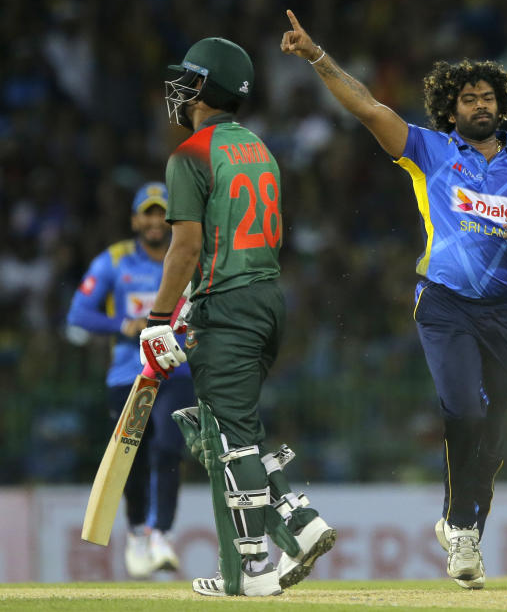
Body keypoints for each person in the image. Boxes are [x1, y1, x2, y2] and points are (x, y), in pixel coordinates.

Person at [281, 10, 507, 589]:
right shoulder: (430, 150)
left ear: (504, 104)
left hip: (505, 310)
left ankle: (458, 522)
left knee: (492, 436)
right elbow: (369, 107)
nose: (481, 105)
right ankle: (464, 537)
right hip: (444, 302)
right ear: (452, 109)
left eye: (489, 97)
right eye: (469, 98)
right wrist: (318, 56)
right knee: (464, 409)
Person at [140, 36, 336, 597]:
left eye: (187, 79)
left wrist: (158, 319)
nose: (178, 89)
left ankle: (255, 568)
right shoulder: (259, 147)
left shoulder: (190, 155)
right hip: (267, 299)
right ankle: (291, 530)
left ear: (203, 87)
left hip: (227, 307)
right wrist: (188, 304)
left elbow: (185, 247)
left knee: (232, 443)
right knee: (229, 433)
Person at [68, 183, 192, 579]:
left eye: (162, 213)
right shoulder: (115, 261)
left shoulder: (187, 255)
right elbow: (79, 313)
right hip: (129, 374)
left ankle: (162, 534)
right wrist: (123, 325)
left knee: (170, 448)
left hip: (177, 370)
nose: (156, 221)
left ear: (172, 219)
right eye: (148, 213)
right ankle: (138, 532)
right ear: (136, 219)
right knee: (132, 457)